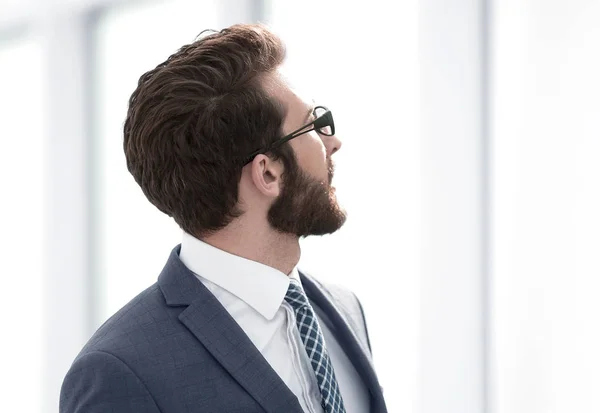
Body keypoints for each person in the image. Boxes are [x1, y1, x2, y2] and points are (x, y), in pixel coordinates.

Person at [59, 24, 387, 413]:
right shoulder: (122, 370)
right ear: (267, 173)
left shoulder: (344, 309)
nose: (332, 142)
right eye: (314, 124)